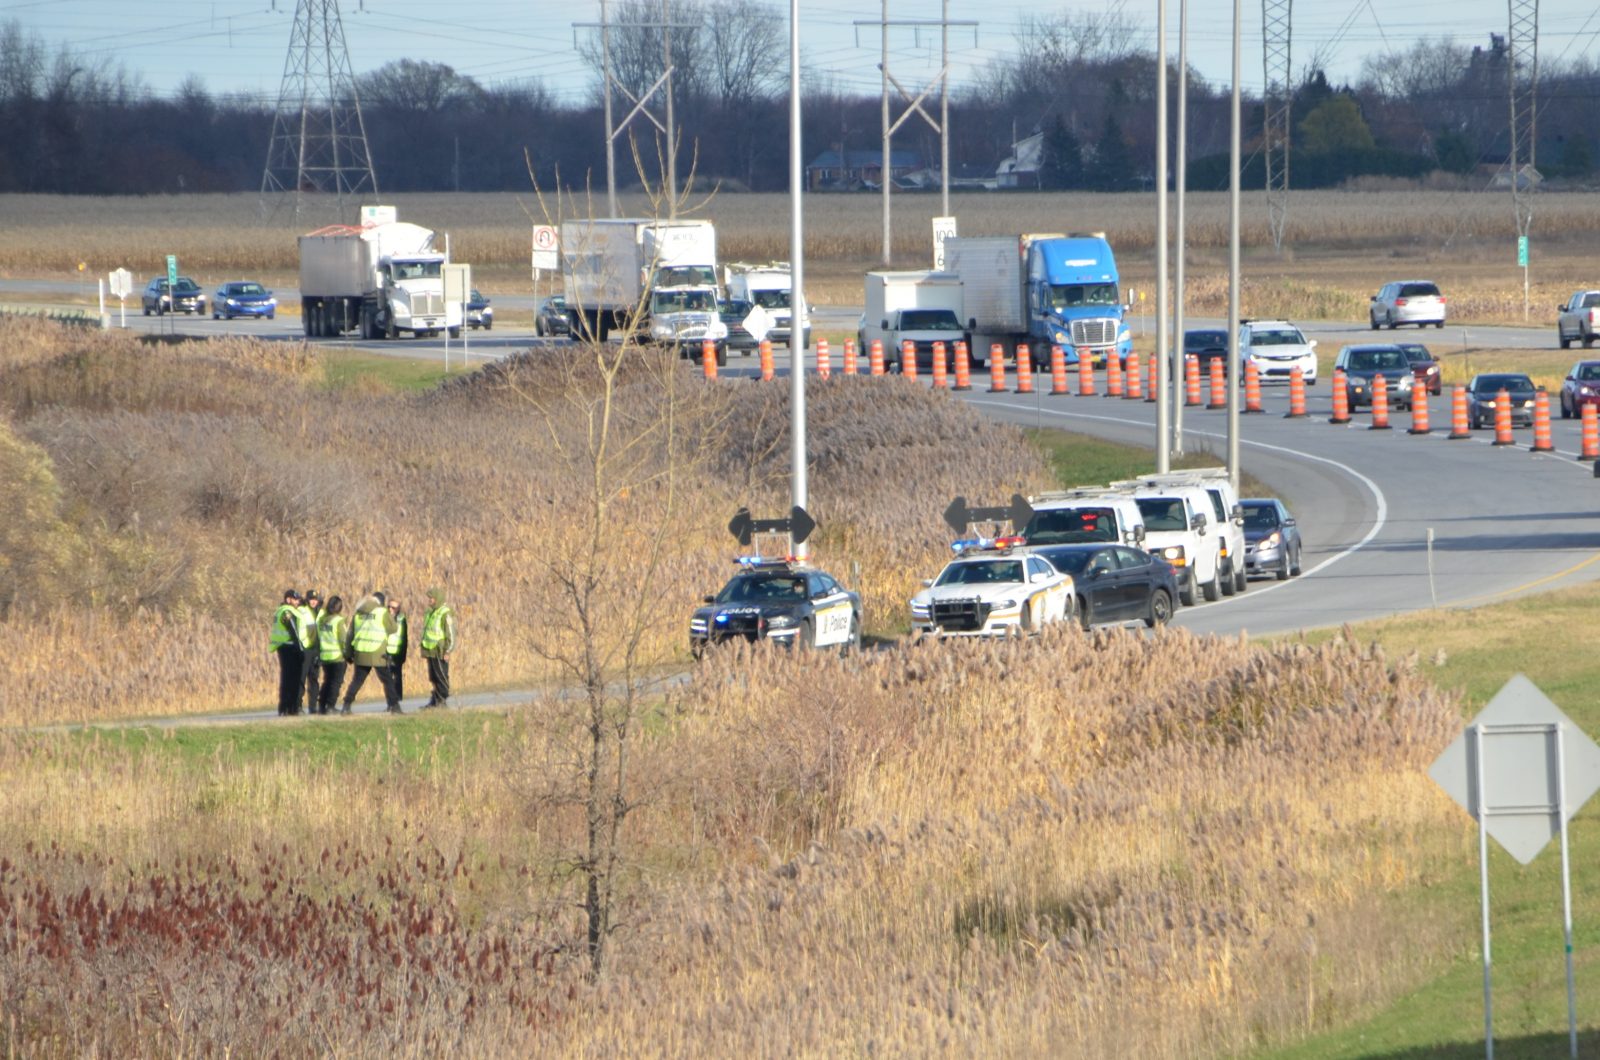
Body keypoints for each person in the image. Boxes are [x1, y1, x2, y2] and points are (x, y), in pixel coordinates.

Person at [341, 591, 401, 715]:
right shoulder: (382, 612)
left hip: (361, 651)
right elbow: (393, 629)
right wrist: (391, 616)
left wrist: (348, 653)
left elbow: (350, 634)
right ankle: (394, 706)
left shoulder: (359, 613)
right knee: (387, 680)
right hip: (377, 651)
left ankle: (346, 705)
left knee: (357, 680)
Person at [269, 589, 305, 716]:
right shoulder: (287, 611)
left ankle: (284, 707)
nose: (297, 602)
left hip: (283, 647)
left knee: (286, 678)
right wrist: (300, 649)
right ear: (288, 599)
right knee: (293, 679)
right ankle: (292, 708)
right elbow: (294, 631)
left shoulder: (280, 610)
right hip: (290, 648)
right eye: (295, 599)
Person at [420, 587, 456, 709]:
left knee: (441, 676)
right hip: (430, 650)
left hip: (440, 650)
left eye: (431, 598)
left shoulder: (445, 613)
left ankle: (442, 700)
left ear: (437, 599)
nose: (429, 600)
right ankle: (435, 700)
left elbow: (450, 633)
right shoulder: (431, 612)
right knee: (433, 676)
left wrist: (448, 650)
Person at [315, 595, 350, 715]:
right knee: (336, 682)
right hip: (337, 656)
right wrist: (348, 654)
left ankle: (321, 705)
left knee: (327, 681)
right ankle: (330, 706)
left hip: (325, 656)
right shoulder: (338, 621)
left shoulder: (322, 621)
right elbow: (343, 640)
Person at [298, 589, 323, 714]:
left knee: (314, 679)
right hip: (305, 649)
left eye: (315, 599)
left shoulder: (320, 612)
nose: (313, 602)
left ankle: (313, 707)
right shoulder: (302, 611)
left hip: (316, 649)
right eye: (311, 599)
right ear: (307, 600)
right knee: (301, 678)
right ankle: (298, 706)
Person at [385, 596, 408, 701]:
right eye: (389, 607)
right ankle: (390, 700)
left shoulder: (401, 619)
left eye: (393, 607)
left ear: (398, 609)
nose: (390, 609)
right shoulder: (384, 618)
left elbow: (404, 638)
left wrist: (403, 655)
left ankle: (398, 698)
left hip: (397, 652)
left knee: (397, 676)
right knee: (387, 678)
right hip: (386, 652)